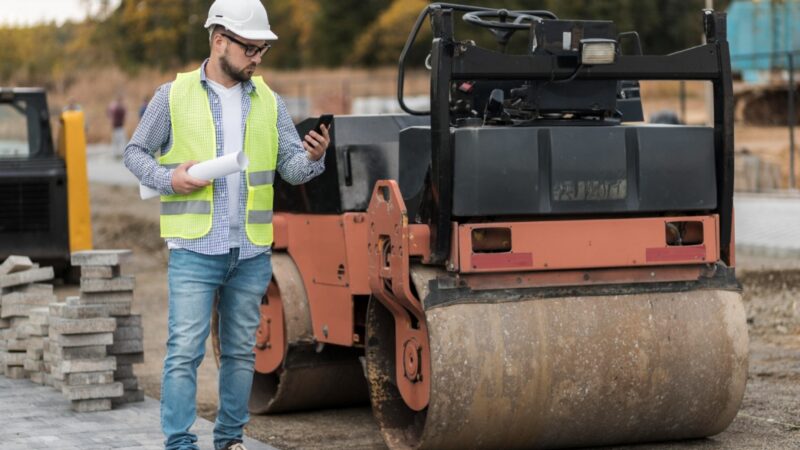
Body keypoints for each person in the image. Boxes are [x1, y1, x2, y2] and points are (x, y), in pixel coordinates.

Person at [122, 0, 330, 449]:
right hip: (195, 248)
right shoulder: (172, 96)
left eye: (262, 51)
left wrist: (312, 158)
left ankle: (230, 439)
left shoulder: (270, 102)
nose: (258, 58)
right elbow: (135, 152)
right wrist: (167, 179)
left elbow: (290, 169)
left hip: (251, 250)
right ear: (220, 41)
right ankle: (179, 443)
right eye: (251, 48)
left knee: (239, 353)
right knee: (184, 354)